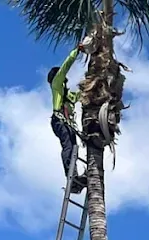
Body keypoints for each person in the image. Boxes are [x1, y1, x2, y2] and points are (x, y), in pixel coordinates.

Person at [48, 44, 86, 194]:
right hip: (59, 121)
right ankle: (71, 177)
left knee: (74, 150)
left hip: (69, 125)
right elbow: (65, 66)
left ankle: (75, 181)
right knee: (68, 148)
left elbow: (79, 96)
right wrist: (77, 51)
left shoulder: (68, 94)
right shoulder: (57, 85)